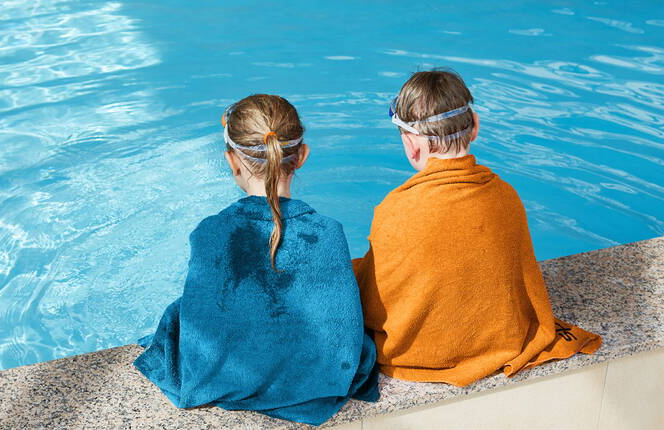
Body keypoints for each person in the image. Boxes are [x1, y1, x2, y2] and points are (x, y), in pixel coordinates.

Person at [134, 94, 379, 425]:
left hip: (225, 377)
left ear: (232, 161)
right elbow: (339, 324)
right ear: (302, 155)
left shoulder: (210, 231)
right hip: (318, 383)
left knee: (178, 313)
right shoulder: (328, 232)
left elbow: (204, 320)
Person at [354, 70, 602, 387]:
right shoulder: (506, 197)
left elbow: (378, 305)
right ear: (475, 127)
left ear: (411, 143)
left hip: (419, 353)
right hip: (503, 340)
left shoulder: (396, 210)